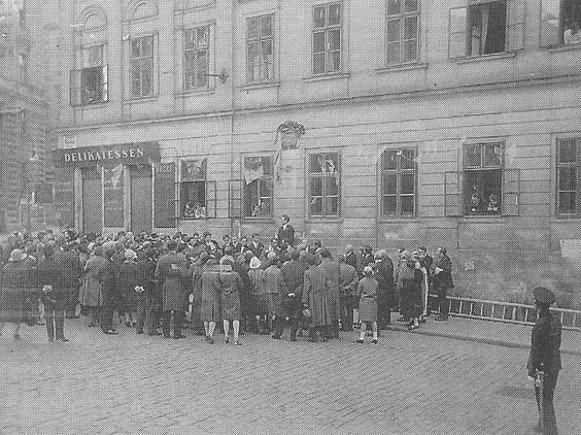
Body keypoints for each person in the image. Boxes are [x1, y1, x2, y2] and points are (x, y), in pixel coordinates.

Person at [527, 287, 562, 435]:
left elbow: (536, 349)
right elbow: (555, 345)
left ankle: (550, 431)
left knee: (544, 399)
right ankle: (542, 423)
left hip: (543, 367)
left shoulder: (540, 324)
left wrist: (531, 370)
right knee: (547, 396)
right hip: (554, 366)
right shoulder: (555, 321)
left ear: (538, 306)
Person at [155, 240, 189, 339]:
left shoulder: (162, 259)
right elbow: (184, 273)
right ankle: (177, 333)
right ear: (176, 247)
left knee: (166, 309)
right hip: (178, 284)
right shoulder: (180, 258)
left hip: (167, 284)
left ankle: (166, 333)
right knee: (177, 309)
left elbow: (157, 274)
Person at [0, 249, 35, 340]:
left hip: (6, 294)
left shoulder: (5, 267)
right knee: (18, 315)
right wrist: (28, 295)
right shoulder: (23, 268)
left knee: (4, 313)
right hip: (18, 295)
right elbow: (25, 283)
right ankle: (15, 332)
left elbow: (1, 281)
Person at [36, 244, 68, 342]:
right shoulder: (58, 262)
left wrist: (43, 288)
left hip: (45, 292)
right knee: (59, 313)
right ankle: (60, 335)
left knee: (48, 314)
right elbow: (62, 277)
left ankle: (50, 336)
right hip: (57, 291)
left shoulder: (40, 264)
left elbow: (37, 279)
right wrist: (53, 286)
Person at [275, 249, 307, 340]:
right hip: (297, 296)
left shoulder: (284, 267)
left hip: (285, 296)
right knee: (295, 316)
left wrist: (287, 292)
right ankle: (293, 335)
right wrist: (295, 292)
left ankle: (278, 334)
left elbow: (281, 281)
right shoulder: (303, 267)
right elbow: (303, 283)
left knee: (281, 315)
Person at [302, 253, 331, 342]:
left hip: (312, 295)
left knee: (313, 315)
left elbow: (306, 287)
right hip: (322, 295)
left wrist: (304, 300)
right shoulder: (322, 271)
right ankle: (324, 334)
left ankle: (313, 335)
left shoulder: (307, 272)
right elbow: (328, 284)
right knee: (322, 314)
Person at [217, 259, 243, 345]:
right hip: (234, 296)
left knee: (225, 317)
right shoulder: (235, 275)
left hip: (224, 297)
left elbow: (219, 286)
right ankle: (236, 337)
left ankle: (226, 335)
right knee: (236, 317)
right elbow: (241, 285)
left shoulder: (220, 275)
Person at [318, 248, 341, 338]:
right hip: (335, 290)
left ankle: (327, 332)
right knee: (335, 311)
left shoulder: (321, 267)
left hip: (326, 291)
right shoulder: (336, 265)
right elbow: (340, 276)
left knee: (327, 312)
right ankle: (336, 332)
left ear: (322, 256)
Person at [355, 266, 379, 344]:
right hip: (373, 301)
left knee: (364, 321)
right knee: (373, 321)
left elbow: (358, 293)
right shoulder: (375, 282)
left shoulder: (361, 282)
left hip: (364, 301)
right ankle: (375, 337)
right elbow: (378, 291)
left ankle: (361, 337)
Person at [100, 248, 121, 335]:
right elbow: (113, 277)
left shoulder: (104, 263)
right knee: (109, 308)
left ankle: (104, 325)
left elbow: (99, 274)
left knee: (105, 307)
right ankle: (107, 327)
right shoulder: (111, 265)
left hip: (105, 286)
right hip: (110, 287)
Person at [201, 256, 221, 343]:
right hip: (213, 297)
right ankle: (210, 334)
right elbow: (218, 287)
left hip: (205, 297)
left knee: (206, 317)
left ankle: (206, 333)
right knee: (213, 318)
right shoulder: (215, 275)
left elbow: (200, 284)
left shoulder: (204, 274)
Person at [373, 249, 394, 329]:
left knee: (382, 307)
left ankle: (382, 323)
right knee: (384, 306)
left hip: (383, 288)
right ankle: (384, 321)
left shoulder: (381, 266)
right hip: (386, 287)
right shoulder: (387, 263)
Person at [432, 246, 454, 321]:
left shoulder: (446, 260)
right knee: (441, 298)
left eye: (438, 251)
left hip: (443, 283)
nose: (436, 253)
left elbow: (448, 271)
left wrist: (440, 271)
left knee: (442, 299)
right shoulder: (441, 259)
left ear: (441, 252)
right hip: (440, 282)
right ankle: (441, 314)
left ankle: (443, 315)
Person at [338, 254, 358, 331]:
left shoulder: (338, 269)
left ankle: (344, 325)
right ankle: (350, 325)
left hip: (341, 292)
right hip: (350, 292)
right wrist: (350, 286)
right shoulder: (352, 268)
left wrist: (341, 287)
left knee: (342, 309)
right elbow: (356, 279)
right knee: (350, 309)